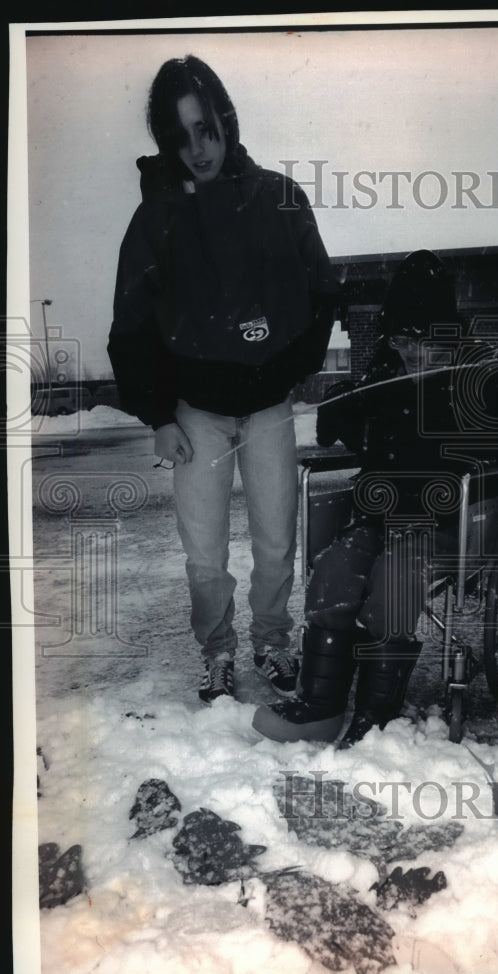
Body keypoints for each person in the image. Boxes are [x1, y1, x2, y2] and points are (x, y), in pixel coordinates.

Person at [108, 55, 337, 703]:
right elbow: (129, 326)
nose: (197, 149)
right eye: (180, 137)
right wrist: (159, 416)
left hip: (267, 407)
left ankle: (272, 644)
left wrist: (290, 369)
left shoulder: (278, 197)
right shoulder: (156, 219)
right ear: (165, 139)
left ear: (225, 121)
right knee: (205, 553)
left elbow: (321, 291)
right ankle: (219, 654)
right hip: (196, 413)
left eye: (205, 130)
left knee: (274, 541)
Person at [252, 249, 498, 746]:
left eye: (428, 342)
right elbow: (344, 435)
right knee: (334, 568)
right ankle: (322, 706)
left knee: (395, 577)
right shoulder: (382, 374)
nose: (416, 354)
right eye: (403, 339)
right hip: (377, 516)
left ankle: (376, 714)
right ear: (390, 337)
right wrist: (342, 408)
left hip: (448, 521)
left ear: (450, 334)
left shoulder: (478, 370)